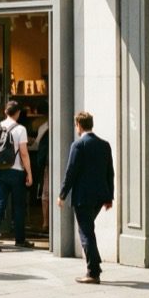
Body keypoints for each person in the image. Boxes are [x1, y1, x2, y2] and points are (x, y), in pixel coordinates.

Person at [57, 111, 114, 284]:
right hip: (99, 196)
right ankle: (95, 265)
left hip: (83, 197)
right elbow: (109, 173)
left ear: (79, 125)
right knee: (88, 230)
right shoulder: (105, 145)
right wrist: (109, 196)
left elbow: (71, 172)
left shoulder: (78, 145)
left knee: (85, 232)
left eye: (76, 125)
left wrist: (62, 194)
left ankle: (93, 271)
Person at [0, 101, 34, 252]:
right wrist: (29, 172)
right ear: (18, 113)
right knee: (19, 206)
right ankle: (19, 239)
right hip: (16, 171)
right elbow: (24, 153)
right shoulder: (20, 129)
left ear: (5, 111)